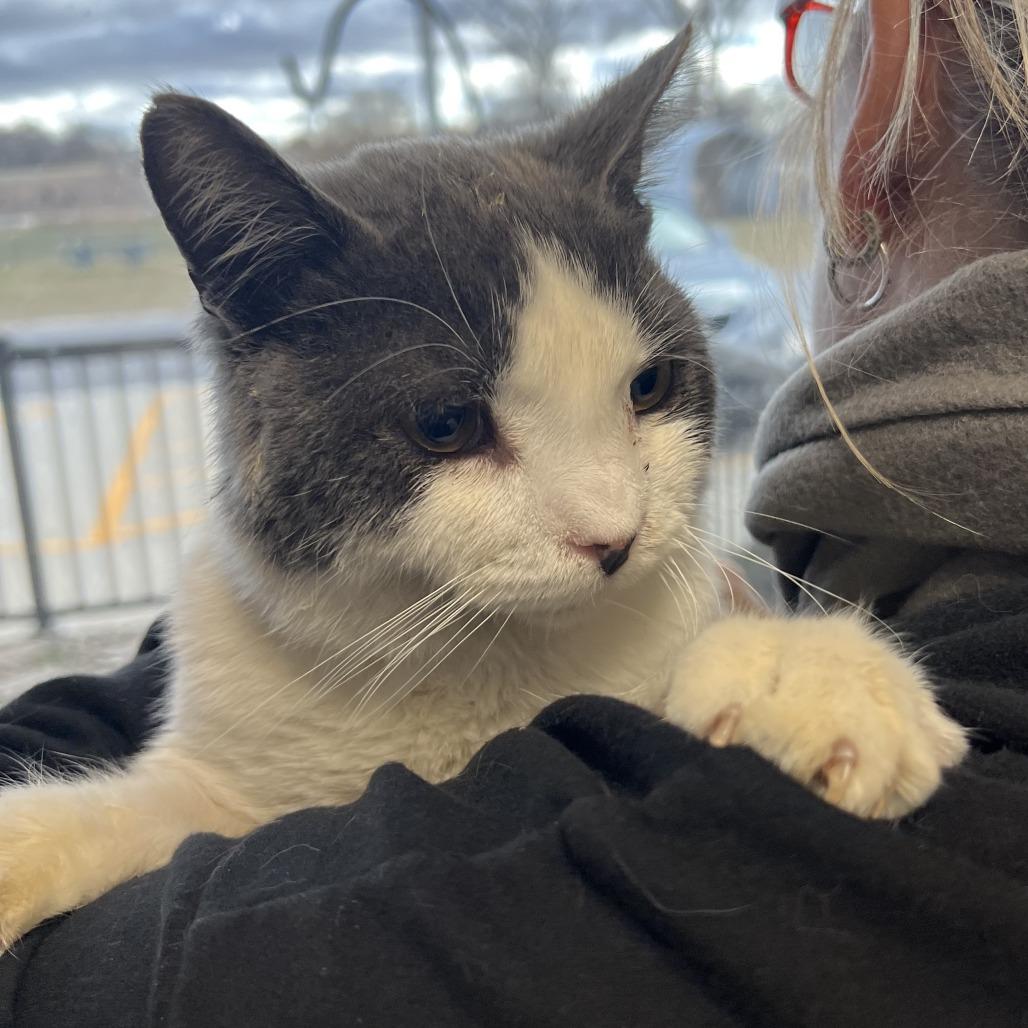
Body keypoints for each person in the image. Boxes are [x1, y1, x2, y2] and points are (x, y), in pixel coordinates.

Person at [1, 2, 1027, 1023]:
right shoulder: (224, 639)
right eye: (452, 426)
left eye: (644, 391)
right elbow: (199, 803)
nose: (612, 521)